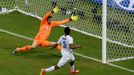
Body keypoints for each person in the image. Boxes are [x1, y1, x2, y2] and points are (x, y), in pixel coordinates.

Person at [12, 7, 78, 54]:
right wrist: (52, 11)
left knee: (56, 44)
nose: (50, 20)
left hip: (43, 41)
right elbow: (45, 16)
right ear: (47, 19)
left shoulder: (52, 24)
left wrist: (70, 19)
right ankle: (18, 49)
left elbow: (61, 22)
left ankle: (64, 53)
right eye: (49, 19)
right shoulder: (43, 22)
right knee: (33, 47)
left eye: (51, 19)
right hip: (37, 39)